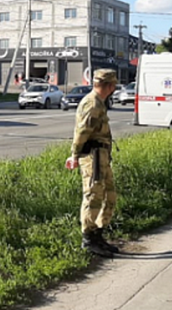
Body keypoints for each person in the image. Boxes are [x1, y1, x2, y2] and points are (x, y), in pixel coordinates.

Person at [65, 69, 119, 258]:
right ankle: (88, 239)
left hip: (102, 156)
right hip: (93, 157)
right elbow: (81, 132)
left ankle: (98, 234)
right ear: (109, 85)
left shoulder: (100, 102)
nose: (114, 88)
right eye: (113, 85)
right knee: (93, 195)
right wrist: (74, 155)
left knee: (109, 195)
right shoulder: (92, 103)